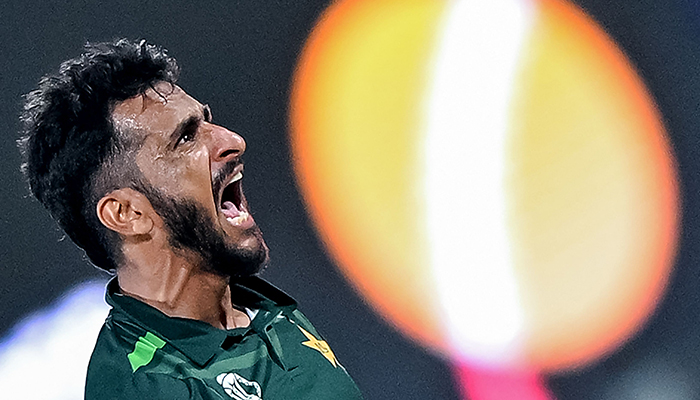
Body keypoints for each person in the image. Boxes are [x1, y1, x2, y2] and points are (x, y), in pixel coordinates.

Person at [19, 38, 363, 400]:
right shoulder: (145, 386)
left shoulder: (262, 309)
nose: (233, 141)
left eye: (207, 122)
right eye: (184, 138)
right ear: (127, 213)